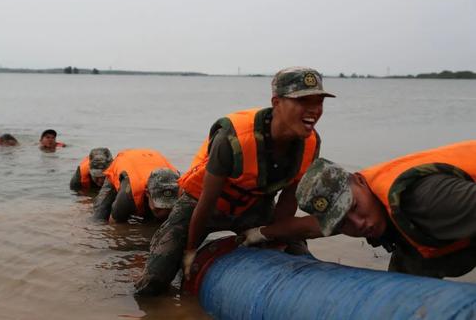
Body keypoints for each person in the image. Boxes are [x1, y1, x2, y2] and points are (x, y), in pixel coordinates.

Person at [134, 66, 335, 295]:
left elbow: (288, 200)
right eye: (303, 101)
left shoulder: (310, 143)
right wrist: (189, 252)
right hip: (202, 206)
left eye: (318, 102)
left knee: (298, 254)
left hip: (254, 207)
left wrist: (274, 237)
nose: (314, 110)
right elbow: (206, 201)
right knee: (154, 282)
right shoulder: (234, 137)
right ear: (277, 102)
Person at [284, 141, 476, 279]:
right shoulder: (372, 205)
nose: (359, 223)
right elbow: (306, 228)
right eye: (342, 222)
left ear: (360, 181)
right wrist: (261, 234)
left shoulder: (424, 199)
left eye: (355, 206)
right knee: (402, 292)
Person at [93, 148, 180, 223]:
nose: (163, 213)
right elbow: (115, 225)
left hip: (152, 158)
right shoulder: (127, 194)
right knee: (100, 215)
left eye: (168, 208)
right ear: (147, 193)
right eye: (158, 208)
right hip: (125, 161)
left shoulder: (180, 185)